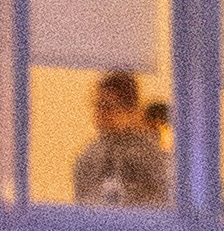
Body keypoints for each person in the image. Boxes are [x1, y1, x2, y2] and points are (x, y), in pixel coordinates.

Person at [70, 69, 171, 206]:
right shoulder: (87, 158)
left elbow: (163, 202)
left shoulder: (150, 156)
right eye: (97, 106)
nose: (100, 114)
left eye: (108, 107)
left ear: (131, 110)